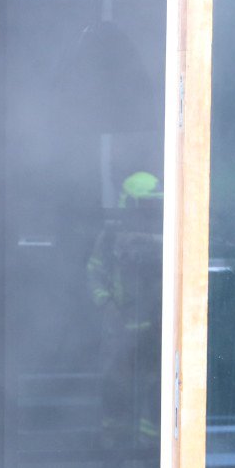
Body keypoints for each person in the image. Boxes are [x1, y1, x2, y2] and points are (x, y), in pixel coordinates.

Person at [86, 171, 163, 447]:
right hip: (120, 329)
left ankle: (150, 456)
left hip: (156, 329)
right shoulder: (110, 238)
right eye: (145, 206)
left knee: (157, 393)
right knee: (115, 389)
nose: (151, 213)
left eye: (155, 206)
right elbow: (94, 272)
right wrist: (105, 303)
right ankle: (113, 450)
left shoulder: (169, 235)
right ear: (129, 205)